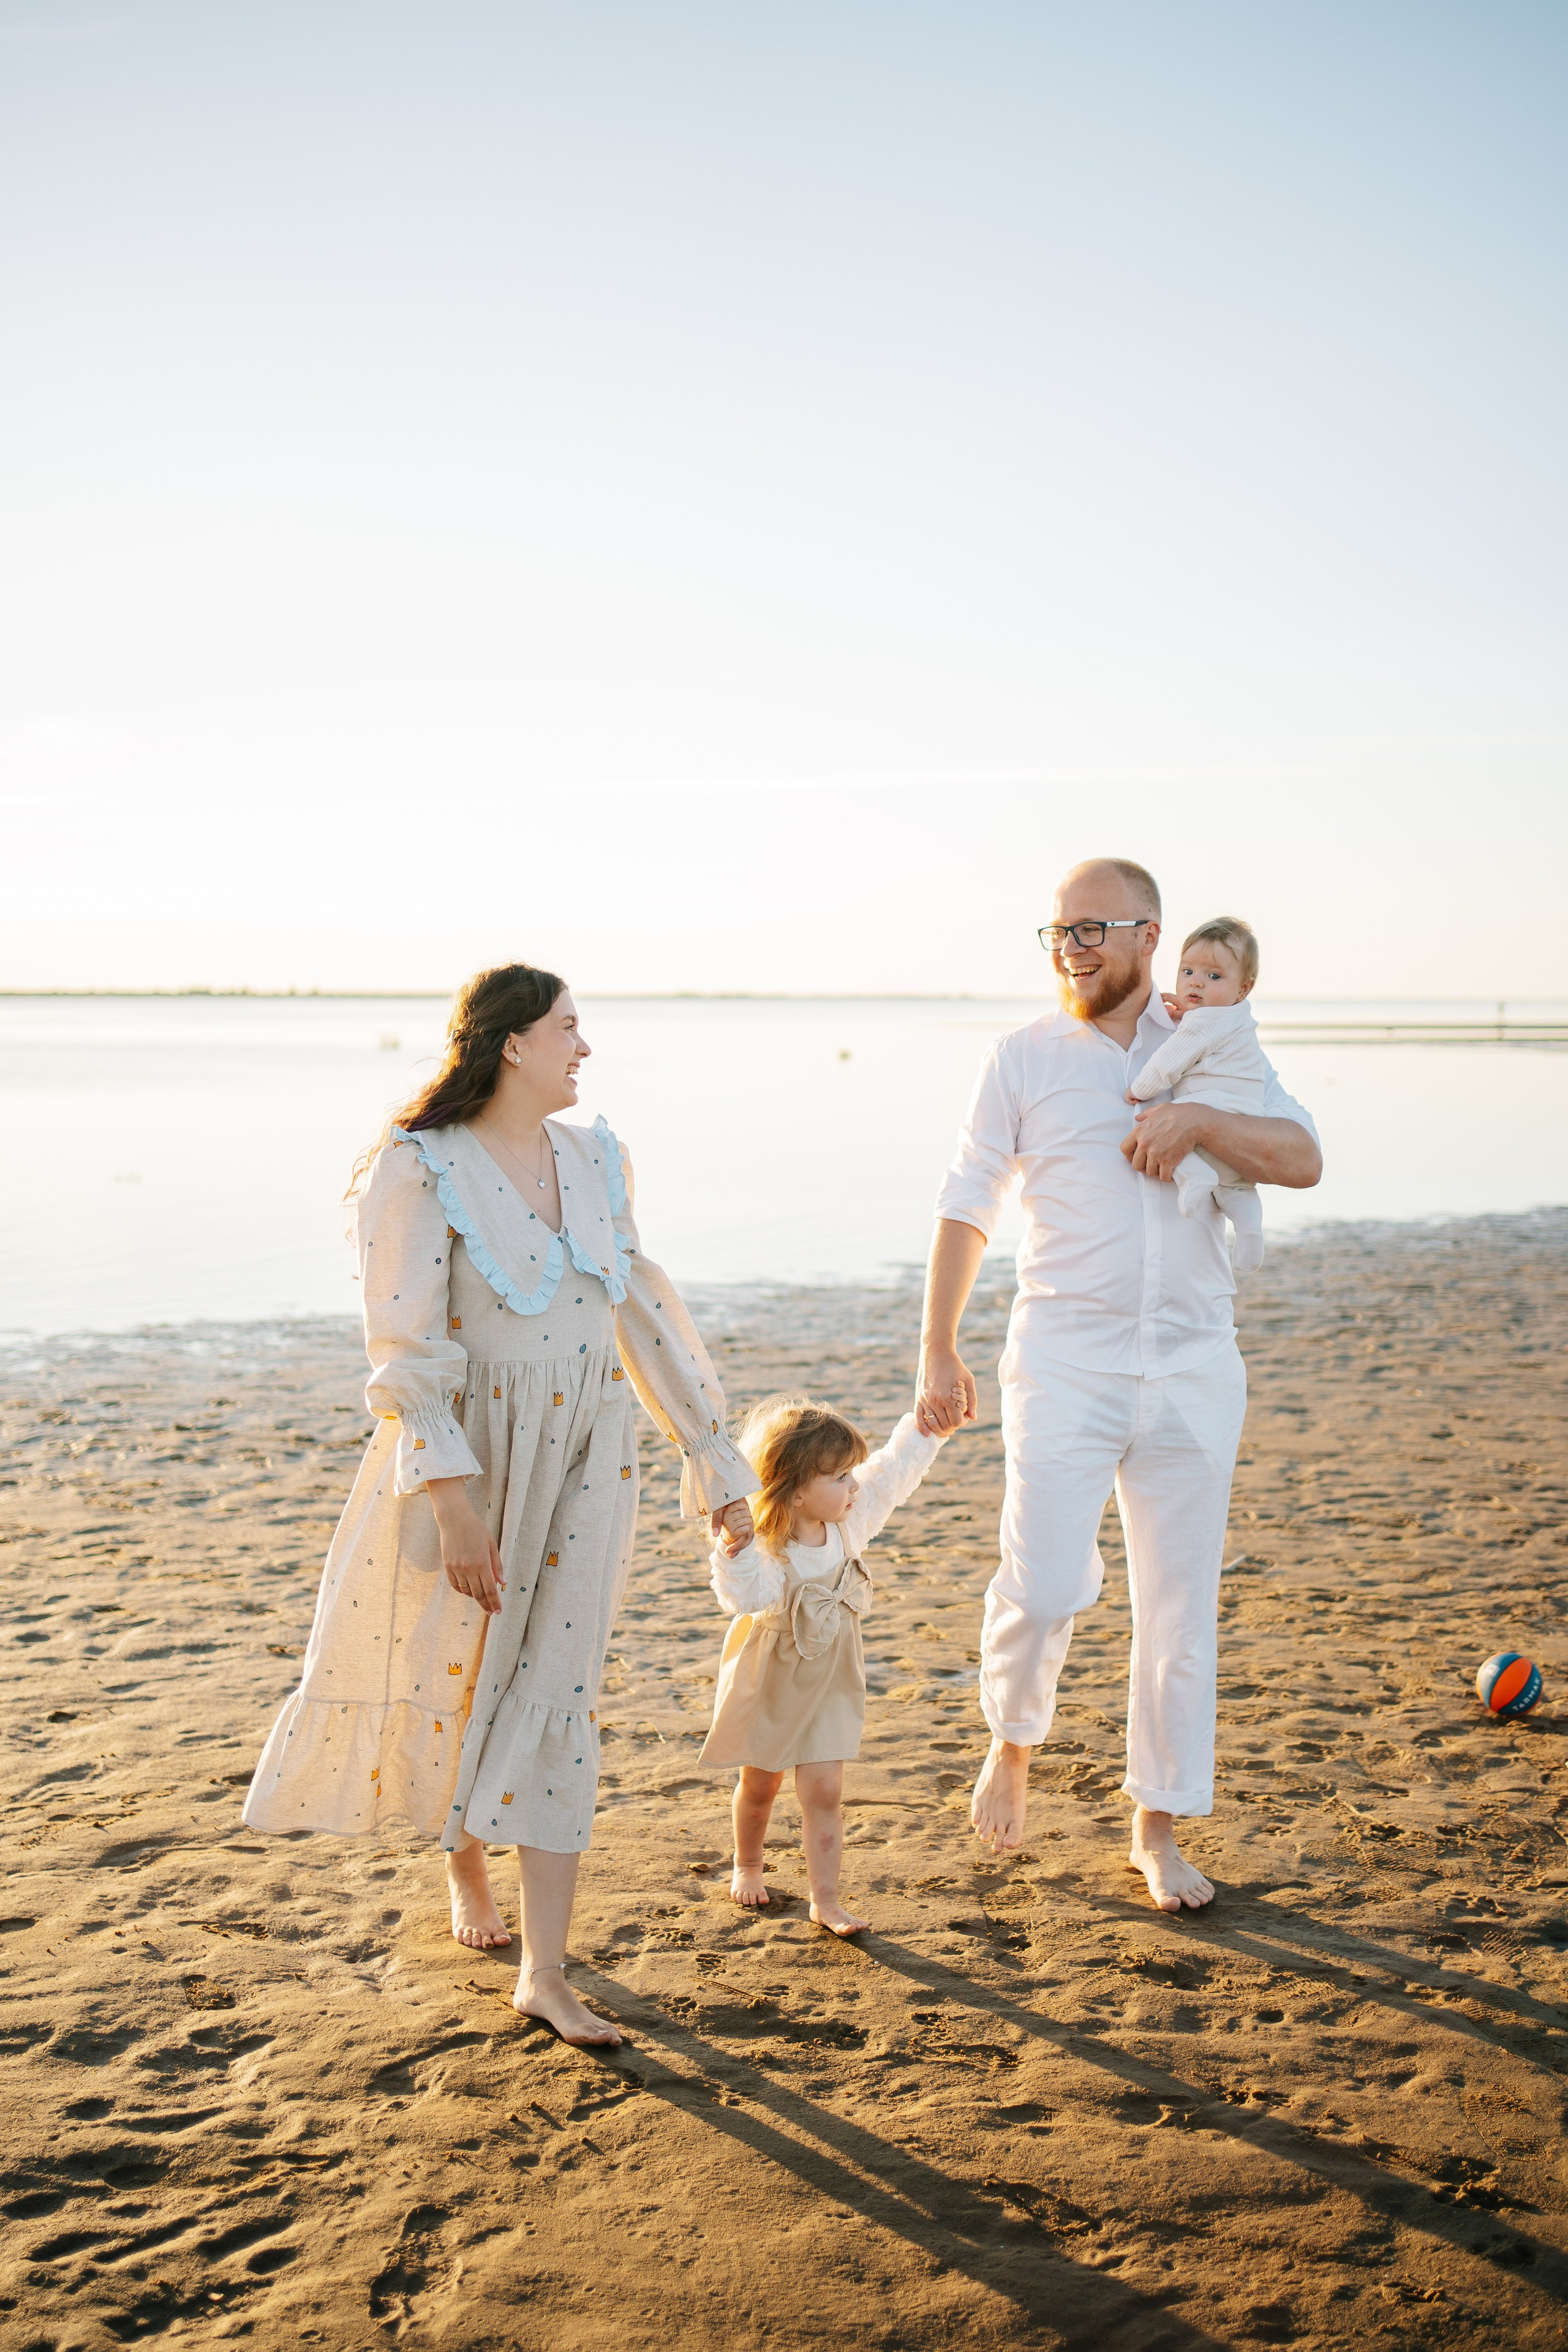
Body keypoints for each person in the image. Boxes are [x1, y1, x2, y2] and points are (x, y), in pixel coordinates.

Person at [244, 962, 758, 2045]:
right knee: (463, 1669)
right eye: (570, 1027)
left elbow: (639, 1308)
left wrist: (711, 1457)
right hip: (473, 1459)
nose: (586, 1047)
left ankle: (544, 1971)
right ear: (514, 1042)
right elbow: (404, 1350)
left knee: (556, 1689)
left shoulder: (598, 1156)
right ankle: (464, 1862)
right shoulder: (417, 1166)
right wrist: (455, 1506)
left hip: (592, 1453)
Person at [914, 860, 1321, 1912]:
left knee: (1180, 1614)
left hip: (1194, 1364)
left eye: (1091, 928)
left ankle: (1158, 1827)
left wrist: (1199, 1125)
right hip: (1066, 1361)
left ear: (1149, 934)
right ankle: (1013, 1741)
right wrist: (938, 1346)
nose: (1072, 949)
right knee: (1045, 1583)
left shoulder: (1211, 1044)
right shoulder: (1023, 1056)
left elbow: (1302, 1156)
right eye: (1058, 932)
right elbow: (968, 1198)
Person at [699, 1395, 958, 1936]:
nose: (854, 1485)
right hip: (773, 1679)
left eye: (850, 1473)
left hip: (833, 1679)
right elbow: (745, 1598)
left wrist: (927, 1428)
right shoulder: (768, 1548)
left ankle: (827, 1901)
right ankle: (748, 1864)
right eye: (840, 1477)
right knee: (761, 1784)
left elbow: (893, 1473)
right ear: (796, 1490)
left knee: (824, 1792)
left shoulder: (849, 1523)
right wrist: (734, 1548)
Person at [1126, 916, 1270, 1272]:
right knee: (1237, 1188)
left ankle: (1194, 1174)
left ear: (1244, 988)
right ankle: (1250, 1230)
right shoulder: (1236, 1016)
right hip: (1247, 1117)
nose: (1196, 983)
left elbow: (1169, 1062)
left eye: (1214, 977)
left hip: (1214, 1106)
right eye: (1188, 972)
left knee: (1164, 1124)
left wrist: (1139, 1088)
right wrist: (1190, 1010)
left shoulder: (1203, 1024)